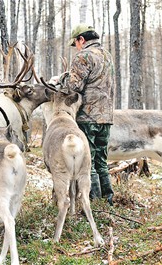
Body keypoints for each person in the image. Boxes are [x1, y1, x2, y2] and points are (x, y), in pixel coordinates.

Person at [61, 24, 115, 206]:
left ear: (81, 40)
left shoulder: (83, 56)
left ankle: (94, 203)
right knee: (102, 161)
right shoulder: (107, 56)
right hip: (106, 117)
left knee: (88, 162)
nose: (75, 47)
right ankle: (108, 200)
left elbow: (74, 87)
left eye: (75, 43)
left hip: (87, 117)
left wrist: (64, 79)